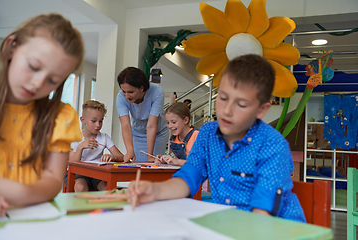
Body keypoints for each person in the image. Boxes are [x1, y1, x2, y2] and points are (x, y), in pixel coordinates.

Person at [127, 54, 306, 222]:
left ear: (261, 110)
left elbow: (262, 215)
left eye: (241, 104)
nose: (227, 111)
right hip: (231, 223)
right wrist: (154, 190)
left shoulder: (272, 145)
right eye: (223, 98)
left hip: (273, 229)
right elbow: (188, 178)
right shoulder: (208, 133)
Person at [0, 13, 84, 217]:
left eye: (52, 80)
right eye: (33, 67)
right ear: (12, 47)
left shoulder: (60, 115)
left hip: (30, 215)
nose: (37, 84)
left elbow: (54, 180)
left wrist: (19, 193)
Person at [65, 100, 124, 192]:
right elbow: (72, 163)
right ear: (83, 120)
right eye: (93, 121)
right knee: (81, 187)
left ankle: (103, 207)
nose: (98, 125)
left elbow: (121, 157)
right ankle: (84, 207)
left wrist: (113, 157)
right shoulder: (75, 138)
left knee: (107, 188)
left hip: (97, 174)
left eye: (101, 121)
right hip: (77, 173)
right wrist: (80, 147)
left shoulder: (104, 138)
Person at [116, 67, 169, 162]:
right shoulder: (121, 97)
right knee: (137, 164)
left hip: (157, 133)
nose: (127, 96)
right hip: (137, 133)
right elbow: (125, 125)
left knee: (154, 166)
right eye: (124, 91)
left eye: (131, 92)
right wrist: (129, 150)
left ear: (141, 88)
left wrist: (150, 155)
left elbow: (151, 125)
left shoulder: (156, 92)